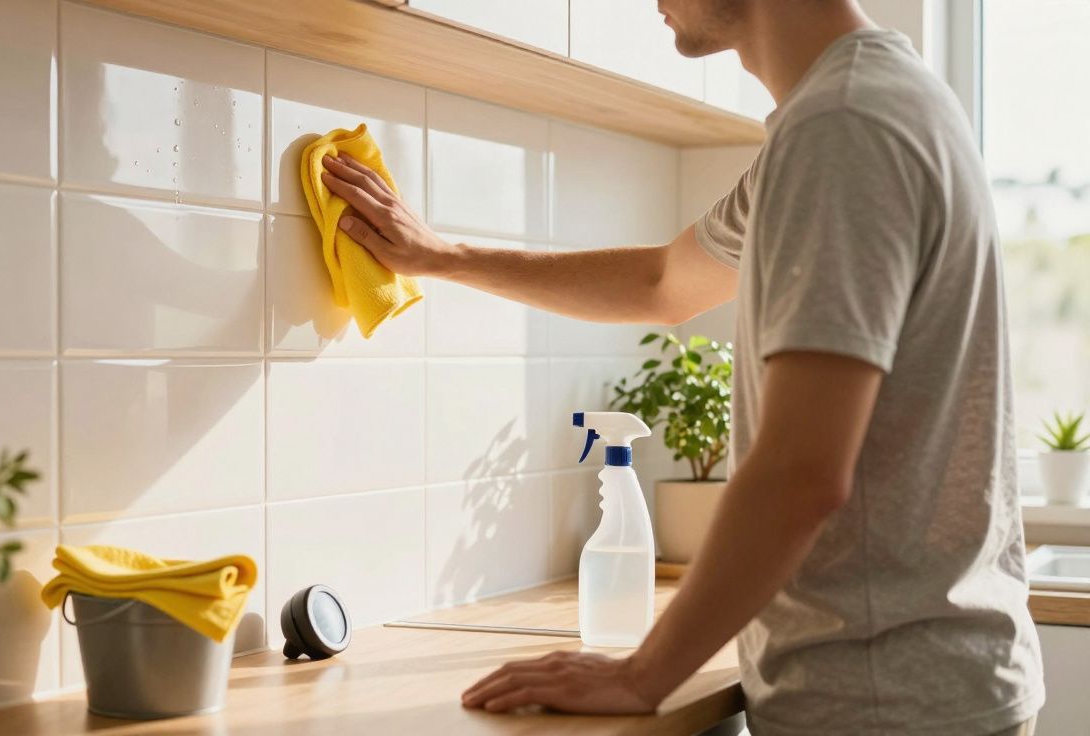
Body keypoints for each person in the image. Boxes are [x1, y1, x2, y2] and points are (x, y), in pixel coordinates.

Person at [321, 0, 1045, 733]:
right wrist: (443, 256)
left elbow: (801, 471)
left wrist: (644, 673)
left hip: (886, 701)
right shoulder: (859, 107)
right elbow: (664, 283)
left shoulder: (844, 127)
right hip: (918, 684)